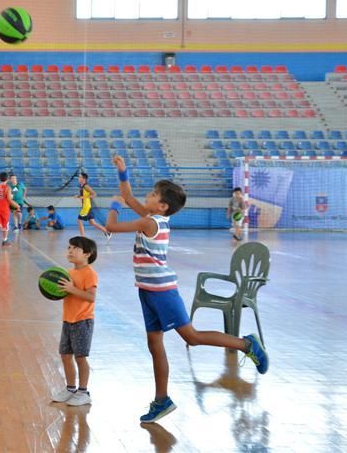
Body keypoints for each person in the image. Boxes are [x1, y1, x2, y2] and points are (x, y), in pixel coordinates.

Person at [104, 155, 269, 423]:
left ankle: (246, 344)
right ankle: (162, 400)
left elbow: (111, 225)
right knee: (154, 343)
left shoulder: (150, 222)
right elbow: (129, 195)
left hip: (162, 291)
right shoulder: (151, 216)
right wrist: (123, 172)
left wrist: (113, 205)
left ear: (163, 205)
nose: (148, 195)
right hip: (147, 289)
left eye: (154, 194)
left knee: (191, 336)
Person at [51, 236, 99, 407]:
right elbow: (67, 293)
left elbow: (91, 297)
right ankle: (70, 388)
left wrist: (72, 289)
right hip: (68, 320)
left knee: (80, 357)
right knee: (65, 355)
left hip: (82, 321)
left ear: (87, 254)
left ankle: (84, 391)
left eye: (75, 248)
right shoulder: (69, 273)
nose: (70, 251)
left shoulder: (89, 274)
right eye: (69, 247)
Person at [76, 173, 111, 240]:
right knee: (92, 222)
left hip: (86, 207)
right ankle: (107, 232)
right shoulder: (82, 186)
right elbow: (84, 195)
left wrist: (83, 197)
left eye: (80, 177)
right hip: (88, 207)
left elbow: (94, 194)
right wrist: (78, 196)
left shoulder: (86, 186)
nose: (78, 178)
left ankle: (83, 238)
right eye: (79, 177)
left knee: (79, 220)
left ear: (84, 179)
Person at [0, 172, 19, 247]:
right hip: (4, 209)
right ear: (7, 179)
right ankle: (4, 241)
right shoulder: (8, 188)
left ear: (0, 178)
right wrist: (17, 206)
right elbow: (9, 199)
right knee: (5, 226)